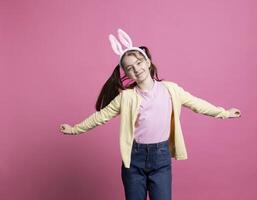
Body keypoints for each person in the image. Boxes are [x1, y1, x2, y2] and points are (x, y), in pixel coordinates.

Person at [59, 28, 241, 200]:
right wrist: (74, 129)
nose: (136, 69)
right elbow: (100, 117)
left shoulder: (171, 90)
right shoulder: (127, 97)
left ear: (147, 62)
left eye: (139, 63)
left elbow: (197, 104)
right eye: (130, 68)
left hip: (161, 157)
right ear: (127, 74)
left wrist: (223, 113)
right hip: (134, 160)